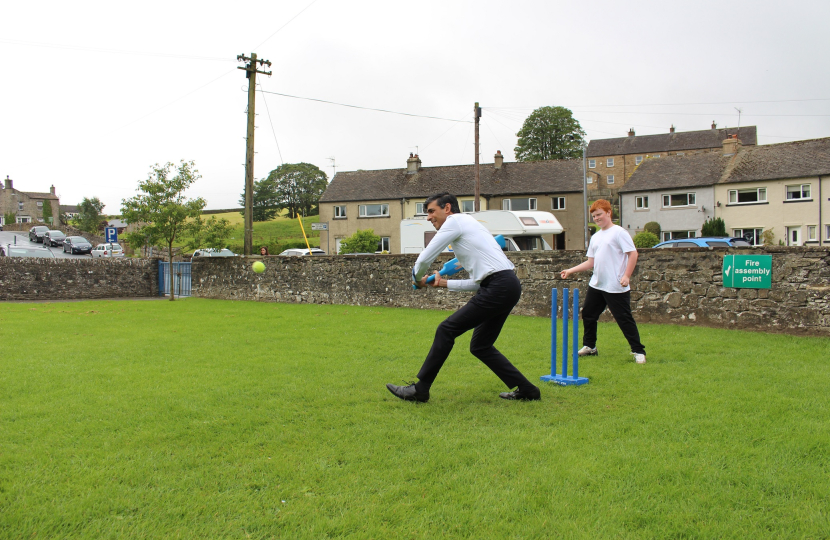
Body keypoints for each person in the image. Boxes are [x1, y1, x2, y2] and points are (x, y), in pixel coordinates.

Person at [386, 192, 541, 402]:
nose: (428, 217)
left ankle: (420, 390)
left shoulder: (455, 221)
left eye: (431, 211)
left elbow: (424, 259)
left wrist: (417, 279)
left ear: (447, 208)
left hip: (499, 286)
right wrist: (443, 283)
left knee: (446, 329)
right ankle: (528, 390)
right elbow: (479, 283)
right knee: (480, 346)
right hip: (507, 285)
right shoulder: (471, 227)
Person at [560, 199, 646, 364]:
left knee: (623, 318)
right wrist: (570, 270)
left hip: (615, 285)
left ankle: (638, 351)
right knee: (588, 314)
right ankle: (590, 347)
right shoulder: (596, 237)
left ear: (608, 213)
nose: (596, 218)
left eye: (599, 214)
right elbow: (591, 262)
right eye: (594, 216)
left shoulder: (619, 232)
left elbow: (633, 254)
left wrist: (626, 276)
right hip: (597, 284)